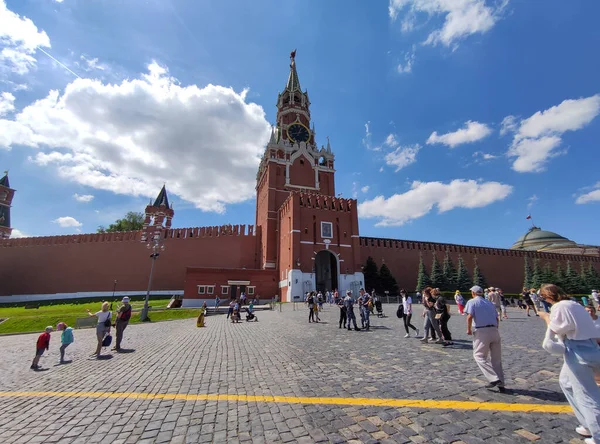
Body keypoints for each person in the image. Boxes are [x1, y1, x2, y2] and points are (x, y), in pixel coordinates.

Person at [538, 284, 600, 444]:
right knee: (566, 383)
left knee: (586, 394)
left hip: (577, 351)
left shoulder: (559, 307)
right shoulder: (575, 304)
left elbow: (557, 332)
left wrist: (546, 317)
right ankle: (587, 423)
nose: (544, 300)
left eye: (543, 297)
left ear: (549, 296)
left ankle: (598, 435)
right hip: (592, 347)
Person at [465, 285, 505, 392]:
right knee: (496, 359)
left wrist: (468, 329)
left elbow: (469, 316)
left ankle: (494, 378)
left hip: (482, 331)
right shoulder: (489, 303)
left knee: (478, 356)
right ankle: (501, 382)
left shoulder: (472, 302)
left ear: (473, 293)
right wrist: (496, 329)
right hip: (494, 330)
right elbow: (497, 318)